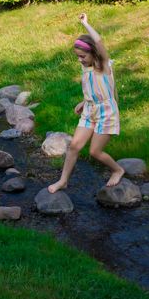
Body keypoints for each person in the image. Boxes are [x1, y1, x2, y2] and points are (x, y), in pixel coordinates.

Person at [47, 13, 125, 193]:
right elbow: (93, 86)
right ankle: (63, 181)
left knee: (94, 152)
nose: (79, 59)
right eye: (77, 56)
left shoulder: (104, 65)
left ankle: (117, 169)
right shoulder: (86, 66)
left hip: (106, 112)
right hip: (90, 110)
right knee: (74, 145)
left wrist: (85, 24)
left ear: (92, 52)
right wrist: (84, 101)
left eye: (82, 56)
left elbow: (98, 42)